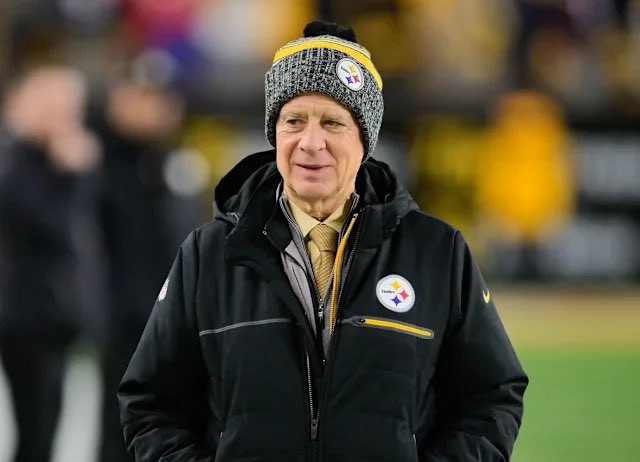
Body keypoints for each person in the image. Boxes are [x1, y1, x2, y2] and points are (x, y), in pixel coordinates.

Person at [118, 20, 528, 461]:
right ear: (274, 132)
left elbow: (491, 397)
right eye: (294, 121)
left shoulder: (437, 253)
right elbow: (151, 405)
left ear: (365, 138)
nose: (311, 143)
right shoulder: (209, 255)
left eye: (333, 122)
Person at [0, 66, 100, 462]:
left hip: (56, 316)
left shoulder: (48, 162)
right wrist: (73, 174)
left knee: (47, 431)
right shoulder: (15, 161)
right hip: (23, 318)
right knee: (35, 433)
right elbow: (51, 226)